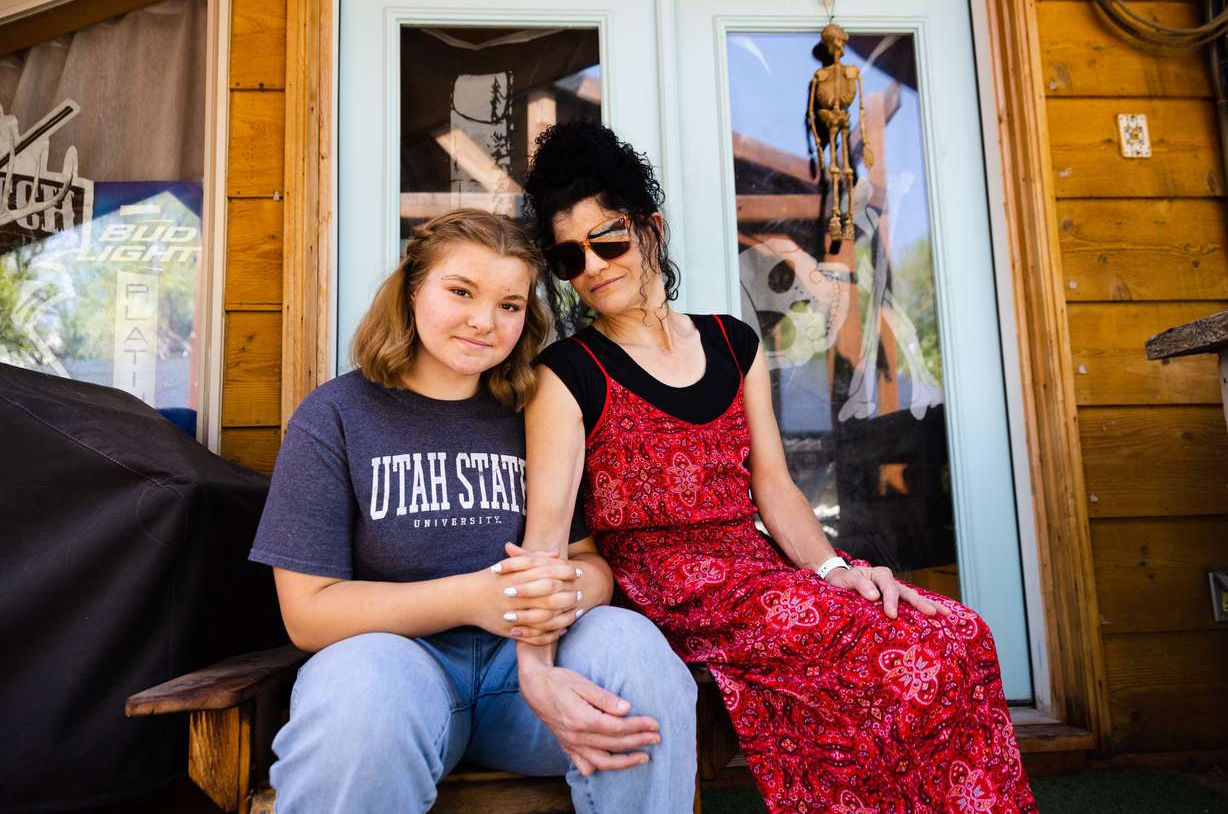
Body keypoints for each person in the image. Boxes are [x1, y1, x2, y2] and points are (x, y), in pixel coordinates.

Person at [518, 121, 1038, 813]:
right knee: (897, 658)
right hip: (669, 593)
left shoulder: (734, 342)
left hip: (757, 573)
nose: (593, 265)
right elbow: (546, 537)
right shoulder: (568, 373)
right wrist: (536, 668)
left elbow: (774, 486)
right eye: (568, 258)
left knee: (959, 631)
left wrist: (834, 571)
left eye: (607, 237)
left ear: (652, 229)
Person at [247, 208, 697, 814]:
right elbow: (307, 614)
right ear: (411, 290)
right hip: (402, 676)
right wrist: (476, 598)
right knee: (357, 693)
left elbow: (590, 564)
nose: (484, 321)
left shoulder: (538, 408)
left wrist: (565, 590)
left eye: (510, 305)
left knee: (633, 646)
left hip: (535, 684)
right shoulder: (336, 416)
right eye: (460, 292)